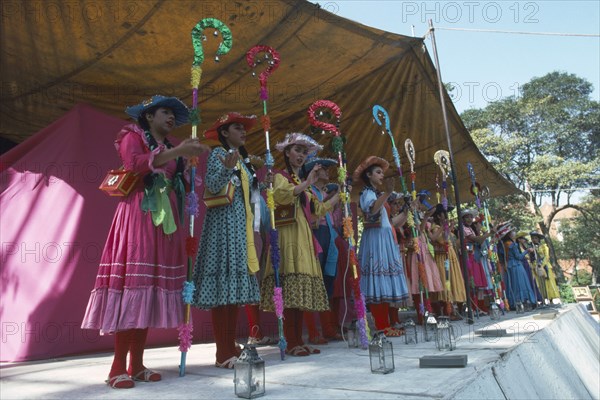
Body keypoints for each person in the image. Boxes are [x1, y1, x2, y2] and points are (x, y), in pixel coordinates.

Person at [81, 95, 209, 388]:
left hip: (165, 223)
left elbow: (179, 183)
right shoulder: (132, 135)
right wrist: (176, 151)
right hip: (138, 214)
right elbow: (135, 164)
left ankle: (136, 364)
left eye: (173, 115)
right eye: (165, 112)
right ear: (149, 116)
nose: (171, 118)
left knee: (148, 291)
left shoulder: (173, 148)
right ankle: (117, 368)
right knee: (133, 289)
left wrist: (187, 170)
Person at [191, 112, 262, 368]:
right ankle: (223, 353)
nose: (243, 132)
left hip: (239, 229)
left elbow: (250, 195)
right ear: (223, 132)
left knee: (232, 292)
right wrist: (227, 168)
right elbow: (210, 183)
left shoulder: (242, 160)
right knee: (223, 290)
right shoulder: (217, 154)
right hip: (223, 227)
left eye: (244, 128)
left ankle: (229, 345)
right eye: (237, 128)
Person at [260, 133, 340, 356]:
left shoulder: (302, 183)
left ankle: (298, 340)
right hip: (287, 237)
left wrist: (337, 196)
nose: (301, 155)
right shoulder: (280, 176)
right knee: (288, 291)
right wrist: (307, 183)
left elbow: (318, 209)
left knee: (296, 294)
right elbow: (280, 196)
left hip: (303, 236)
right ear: (287, 153)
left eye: (305, 152)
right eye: (297, 150)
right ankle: (290, 341)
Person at [353, 156, 410, 336]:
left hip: (385, 237)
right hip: (375, 239)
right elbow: (371, 210)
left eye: (382, 173)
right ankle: (382, 325)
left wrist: (408, 209)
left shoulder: (378, 195)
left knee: (384, 282)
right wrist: (387, 193)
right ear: (368, 175)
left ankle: (386, 324)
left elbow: (392, 222)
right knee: (377, 281)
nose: (381, 175)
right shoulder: (366, 193)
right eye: (378, 172)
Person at [300, 157, 343, 344]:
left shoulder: (320, 192)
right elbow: (312, 214)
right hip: (315, 234)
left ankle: (328, 328)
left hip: (329, 235)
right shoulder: (307, 190)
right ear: (314, 172)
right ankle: (313, 332)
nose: (327, 171)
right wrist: (337, 195)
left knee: (327, 283)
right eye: (323, 168)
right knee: (313, 283)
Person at [428, 204, 467, 319]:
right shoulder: (434, 227)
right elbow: (436, 239)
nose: (446, 215)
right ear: (439, 216)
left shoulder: (443, 226)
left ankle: (455, 308)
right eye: (444, 213)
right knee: (446, 281)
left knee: (453, 281)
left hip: (450, 254)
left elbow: (447, 238)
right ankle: (446, 310)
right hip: (442, 257)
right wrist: (445, 227)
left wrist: (449, 227)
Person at [503, 230, 537, 309]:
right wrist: (527, 251)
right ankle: (524, 301)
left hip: (510, 265)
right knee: (521, 284)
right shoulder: (513, 245)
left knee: (513, 284)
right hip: (516, 265)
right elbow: (519, 257)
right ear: (511, 235)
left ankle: (514, 302)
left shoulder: (505, 244)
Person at [530, 231, 561, 303]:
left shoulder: (544, 246)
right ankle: (542, 299)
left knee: (548, 282)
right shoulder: (531, 248)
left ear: (538, 239)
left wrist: (542, 265)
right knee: (539, 283)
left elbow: (547, 256)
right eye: (532, 238)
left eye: (535, 238)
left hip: (545, 265)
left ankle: (551, 300)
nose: (534, 240)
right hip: (536, 267)